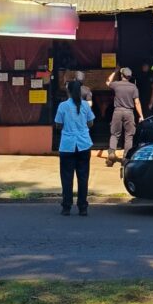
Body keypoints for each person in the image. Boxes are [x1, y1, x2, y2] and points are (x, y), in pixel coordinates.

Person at [54, 80, 95, 216]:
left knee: (67, 178)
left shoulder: (63, 106)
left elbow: (58, 124)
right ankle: (83, 207)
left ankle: (66, 206)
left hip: (67, 146)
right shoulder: (85, 105)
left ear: (68, 91)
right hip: (84, 144)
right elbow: (90, 123)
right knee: (83, 177)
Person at [106, 67, 144, 166]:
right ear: (129, 77)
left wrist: (115, 71)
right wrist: (141, 115)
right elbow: (137, 102)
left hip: (117, 111)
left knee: (114, 134)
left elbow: (107, 82)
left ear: (122, 75)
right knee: (129, 136)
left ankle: (111, 153)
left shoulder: (116, 84)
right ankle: (126, 158)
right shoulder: (133, 87)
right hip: (129, 112)